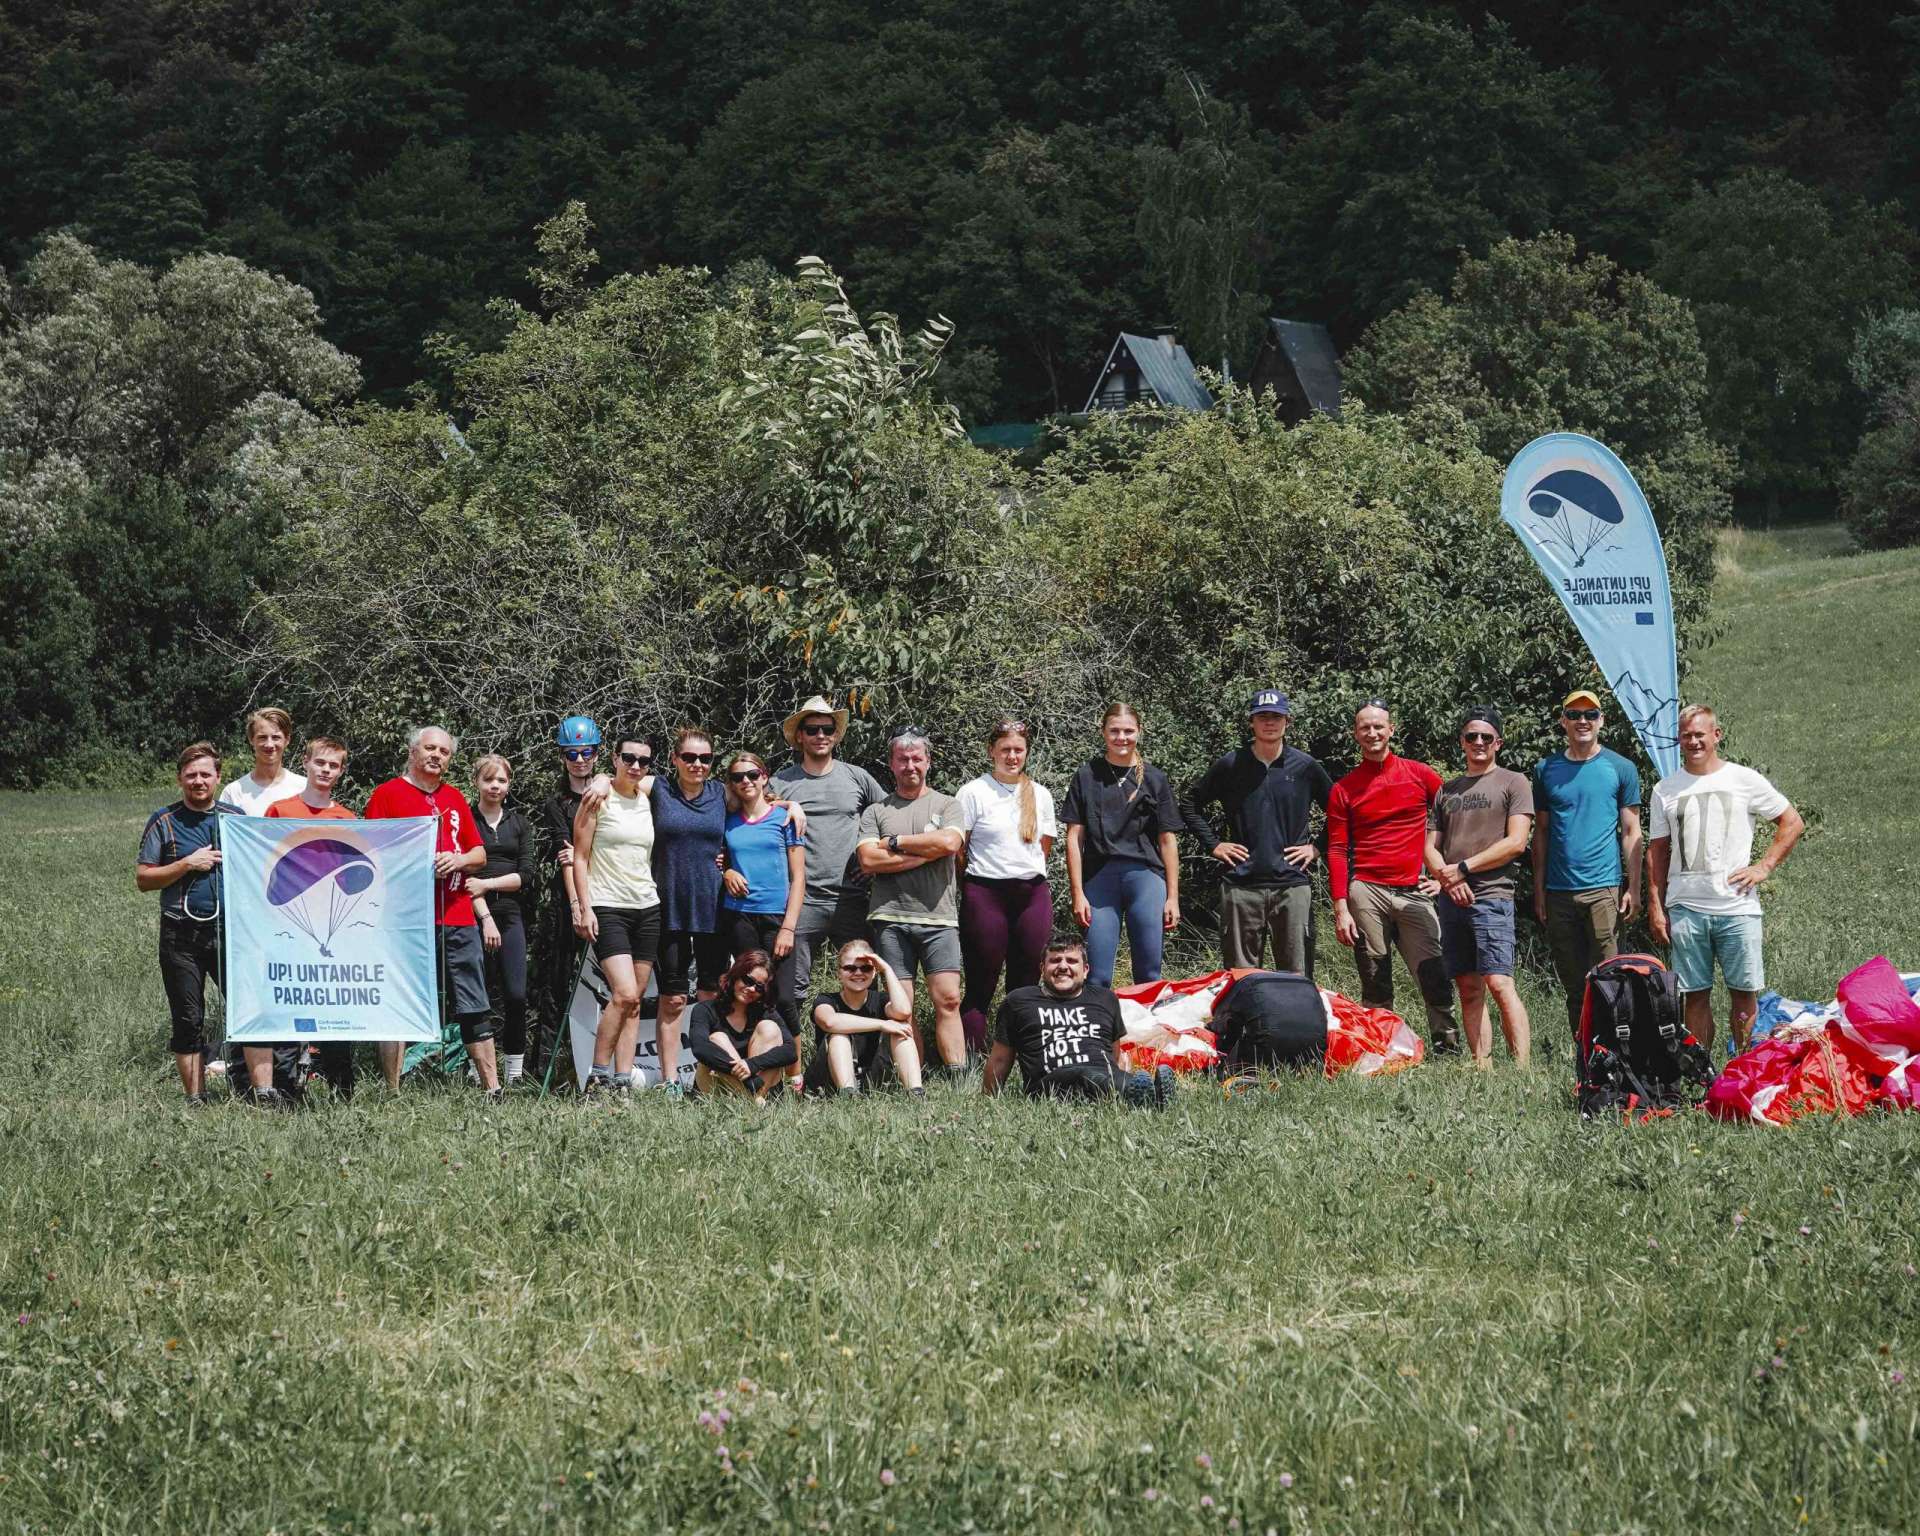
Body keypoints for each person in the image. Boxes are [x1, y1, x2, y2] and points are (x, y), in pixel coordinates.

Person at [1647, 704, 1805, 1054]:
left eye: (1699, 734)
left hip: (1737, 907)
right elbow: (1656, 851)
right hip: (1686, 907)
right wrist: (1655, 906)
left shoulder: (1743, 779)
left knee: (1744, 994)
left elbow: (1792, 822)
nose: (1693, 742)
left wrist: (1763, 867)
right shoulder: (1665, 789)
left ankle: (1743, 1068)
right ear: (1678, 740)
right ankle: (1702, 1071)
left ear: (1716, 735)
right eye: (1686, 736)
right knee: (1694, 995)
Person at [364, 726, 499, 1096]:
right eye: (430, 748)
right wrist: (415, 862)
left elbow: (479, 854)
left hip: (457, 915)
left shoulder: (454, 797)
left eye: (444, 751)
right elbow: (370, 853)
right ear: (413, 751)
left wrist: (458, 860)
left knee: (473, 1002)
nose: (437, 755)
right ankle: (392, 1093)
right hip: (405, 920)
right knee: (398, 1002)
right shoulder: (387, 794)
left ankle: (492, 1088)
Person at [1327, 700, 1460, 1053]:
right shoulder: (1344, 789)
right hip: (1366, 888)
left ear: (1391, 730)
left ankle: (1447, 1046)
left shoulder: (1420, 774)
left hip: (1415, 889)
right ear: (1355, 734)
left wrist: (1443, 876)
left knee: (1434, 971)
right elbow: (1337, 849)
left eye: (1378, 726)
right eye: (1365, 727)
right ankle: (1381, 1047)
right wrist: (1341, 907)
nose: (1372, 733)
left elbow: (1453, 822)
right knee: (1374, 973)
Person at [1181, 688, 1332, 975]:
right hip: (1241, 886)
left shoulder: (1305, 767)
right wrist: (1214, 844)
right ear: (1251, 722)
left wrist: (1317, 847)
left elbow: (1340, 811)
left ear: (1287, 721)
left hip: (1291, 885)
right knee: (1242, 978)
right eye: (1262, 716)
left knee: (1296, 977)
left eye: (1276, 716)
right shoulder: (1231, 764)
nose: (1269, 722)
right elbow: (1190, 804)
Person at [1424, 708, 1534, 1068]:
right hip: (1451, 899)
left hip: (1492, 895)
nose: (1479, 742)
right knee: (1469, 988)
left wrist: (1463, 869)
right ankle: (1482, 1067)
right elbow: (1429, 846)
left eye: (1487, 737)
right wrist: (1448, 879)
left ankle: (1522, 1070)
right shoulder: (1447, 790)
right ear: (1462, 742)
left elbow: (1516, 842)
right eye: (1472, 736)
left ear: (1498, 742)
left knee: (1499, 983)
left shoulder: (1514, 782)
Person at [856, 729, 968, 1073]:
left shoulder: (948, 804)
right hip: (890, 918)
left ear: (928, 761)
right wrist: (925, 852)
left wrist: (894, 843)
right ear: (891, 764)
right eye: (902, 759)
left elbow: (950, 844)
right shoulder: (876, 811)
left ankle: (957, 1077)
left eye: (917, 758)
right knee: (900, 1005)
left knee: (948, 999)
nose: (910, 765)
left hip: (940, 918)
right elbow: (868, 861)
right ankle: (912, 1078)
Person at [1531, 688, 1643, 1034]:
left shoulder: (1621, 767)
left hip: (1604, 890)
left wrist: (1634, 888)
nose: (1583, 721)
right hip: (1558, 892)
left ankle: (1615, 1051)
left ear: (1601, 721)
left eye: (1590, 714)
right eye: (1575, 715)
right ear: (1563, 721)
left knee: (1610, 979)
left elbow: (1631, 831)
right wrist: (1539, 891)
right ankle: (1583, 1052)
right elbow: (1541, 833)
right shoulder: (1545, 769)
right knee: (1574, 985)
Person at [771, 695, 888, 996]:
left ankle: (864, 1029)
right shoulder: (781, 783)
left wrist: (873, 863)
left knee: (866, 979)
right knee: (792, 986)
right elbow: (750, 811)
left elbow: (890, 817)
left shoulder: (857, 777)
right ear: (800, 736)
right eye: (812, 729)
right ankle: (794, 1030)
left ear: (836, 735)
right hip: (802, 899)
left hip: (852, 897)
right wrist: (788, 804)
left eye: (827, 729)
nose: (820, 735)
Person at [136, 742, 232, 1106]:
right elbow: (144, 879)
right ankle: (196, 1098)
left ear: (218, 777)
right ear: (179, 779)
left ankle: (256, 1088)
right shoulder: (164, 820)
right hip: (180, 935)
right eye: (191, 775)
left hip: (229, 932)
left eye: (206, 774)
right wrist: (187, 864)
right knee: (189, 1018)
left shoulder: (235, 818)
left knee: (247, 1010)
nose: (198, 781)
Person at [1062, 703, 1183, 990]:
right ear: (1103, 732)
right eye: (1114, 731)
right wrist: (1077, 893)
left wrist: (1173, 897)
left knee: (1149, 973)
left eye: (1128, 731)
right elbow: (1074, 838)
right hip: (1100, 879)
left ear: (1139, 732)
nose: (1122, 738)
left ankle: (1146, 1021)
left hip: (1145, 878)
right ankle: (1101, 1020)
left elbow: (1167, 840)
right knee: (1097, 976)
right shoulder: (1087, 776)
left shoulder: (1154, 778)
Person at [569, 734, 664, 1097]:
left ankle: (623, 1081)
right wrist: (584, 907)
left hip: (647, 906)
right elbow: (579, 857)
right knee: (623, 993)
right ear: (614, 758)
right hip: (608, 906)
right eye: (628, 758)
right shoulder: (597, 798)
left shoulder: (648, 797)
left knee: (634, 1000)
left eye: (644, 761)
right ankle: (597, 1078)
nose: (635, 766)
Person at [955, 720, 1058, 1054]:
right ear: (991, 751)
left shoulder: (1040, 794)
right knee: (981, 982)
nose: (1012, 757)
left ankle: (1018, 1054)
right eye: (1005, 750)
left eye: (1018, 750)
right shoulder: (973, 792)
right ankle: (971, 1060)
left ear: (1027, 752)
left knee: (1026, 983)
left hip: (1032, 895)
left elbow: (1043, 848)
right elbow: (959, 849)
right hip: (985, 894)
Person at [266, 737, 359, 1099]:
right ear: (305, 762)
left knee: (335, 1007)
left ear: (341, 771)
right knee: (290, 1005)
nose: (326, 770)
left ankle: (341, 1090)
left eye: (334, 765)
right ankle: (286, 1090)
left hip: (333, 931)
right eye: (320, 762)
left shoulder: (348, 819)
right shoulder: (280, 811)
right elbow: (263, 863)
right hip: (288, 926)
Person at [982, 935, 1173, 1107]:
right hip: (1049, 1087)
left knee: (1105, 1075)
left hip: (1103, 1077)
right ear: (1042, 969)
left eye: (1072, 961)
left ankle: (1149, 1095)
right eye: (1055, 960)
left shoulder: (1105, 999)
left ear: (1085, 970)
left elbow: (1114, 1056)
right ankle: (1143, 1096)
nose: (1063, 966)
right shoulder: (1019, 1001)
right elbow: (1000, 1059)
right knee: (1082, 1073)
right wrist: (988, 1103)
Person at [720, 750, 807, 1093]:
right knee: (750, 995)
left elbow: (799, 878)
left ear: (764, 777)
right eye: (738, 777)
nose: (746, 781)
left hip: (776, 918)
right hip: (739, 917)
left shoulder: (785, 819)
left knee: (783, 997)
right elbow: (717, 861)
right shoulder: (727, 821)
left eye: (752, 775)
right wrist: (727, 873)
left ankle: (795, 1076)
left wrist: (788, 927)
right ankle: (759, 1076)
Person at [648, 726, 728, 1093]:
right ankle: (669, 1081)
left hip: (713, 908)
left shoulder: (721, 793)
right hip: (670, 910)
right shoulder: (658, 789)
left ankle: (706, 1079)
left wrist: (791, 806)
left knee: (710, 997)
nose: (698, 764)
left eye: (705, 758)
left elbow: (760, 801)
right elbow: (619, 780)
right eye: (690, 757)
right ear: (675, 759)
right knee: (673, 998)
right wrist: (600, 780)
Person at [535, 715, 602, 1075]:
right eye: (571, 754)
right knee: (558, 982)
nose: (579, 760)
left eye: (586, 752)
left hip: (609, 895)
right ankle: (545, 1068)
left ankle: (602, 1066)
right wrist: (577, 905)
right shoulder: (556, 803)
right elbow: (568, 858)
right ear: (562, 757)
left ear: (597, 754)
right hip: (570, 900)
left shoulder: (608, 794)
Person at [469, 753, 537, 1086]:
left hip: (511, 914)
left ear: (509, 785)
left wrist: (488, 883)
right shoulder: (466, 820)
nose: (495, 786)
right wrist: (485, 917)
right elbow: (466, 879)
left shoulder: (520, 824)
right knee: (476, 996)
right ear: (476, 782)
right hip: (472, 914)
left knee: (516, 995)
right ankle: (477, 1069)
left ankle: (514, 1072)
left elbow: (526, 875)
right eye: (488, 779)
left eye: (501, 780)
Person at [800, 939, 924, 1097]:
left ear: (874, 972)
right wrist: (882, 1024)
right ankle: (848, 1095)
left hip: (872, 1078)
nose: (858, 973)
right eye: (850, 968)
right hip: (829, 1081)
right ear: (839, 973)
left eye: (866, 968)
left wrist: (886, 969)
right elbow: (829, 1022)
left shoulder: (880, 1000)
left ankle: (916, 1093)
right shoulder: (826, 1000)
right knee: (838, 1036)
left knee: (901, 1032)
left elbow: (904, 1012)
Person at [686, 949, 798, 1104]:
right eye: (748, 980)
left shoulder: (766, 1013)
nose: (752, 989)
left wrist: (751, 1065)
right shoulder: (705, 1009)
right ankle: (754, 1100)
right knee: (717, 1039)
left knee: (770, 1029)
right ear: (736, 974)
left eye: (759, 987)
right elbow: (700, 1048)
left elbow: (790, 1051)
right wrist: (746, 1078)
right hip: (717, 1091)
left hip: (761, 1085)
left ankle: (752, 1100)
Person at [218, 706, 306, 815]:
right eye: (262, 737)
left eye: (276, 737)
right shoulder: (233, 792)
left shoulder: (304, 788)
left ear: (287, 740)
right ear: (251, 739)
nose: (269, 744)